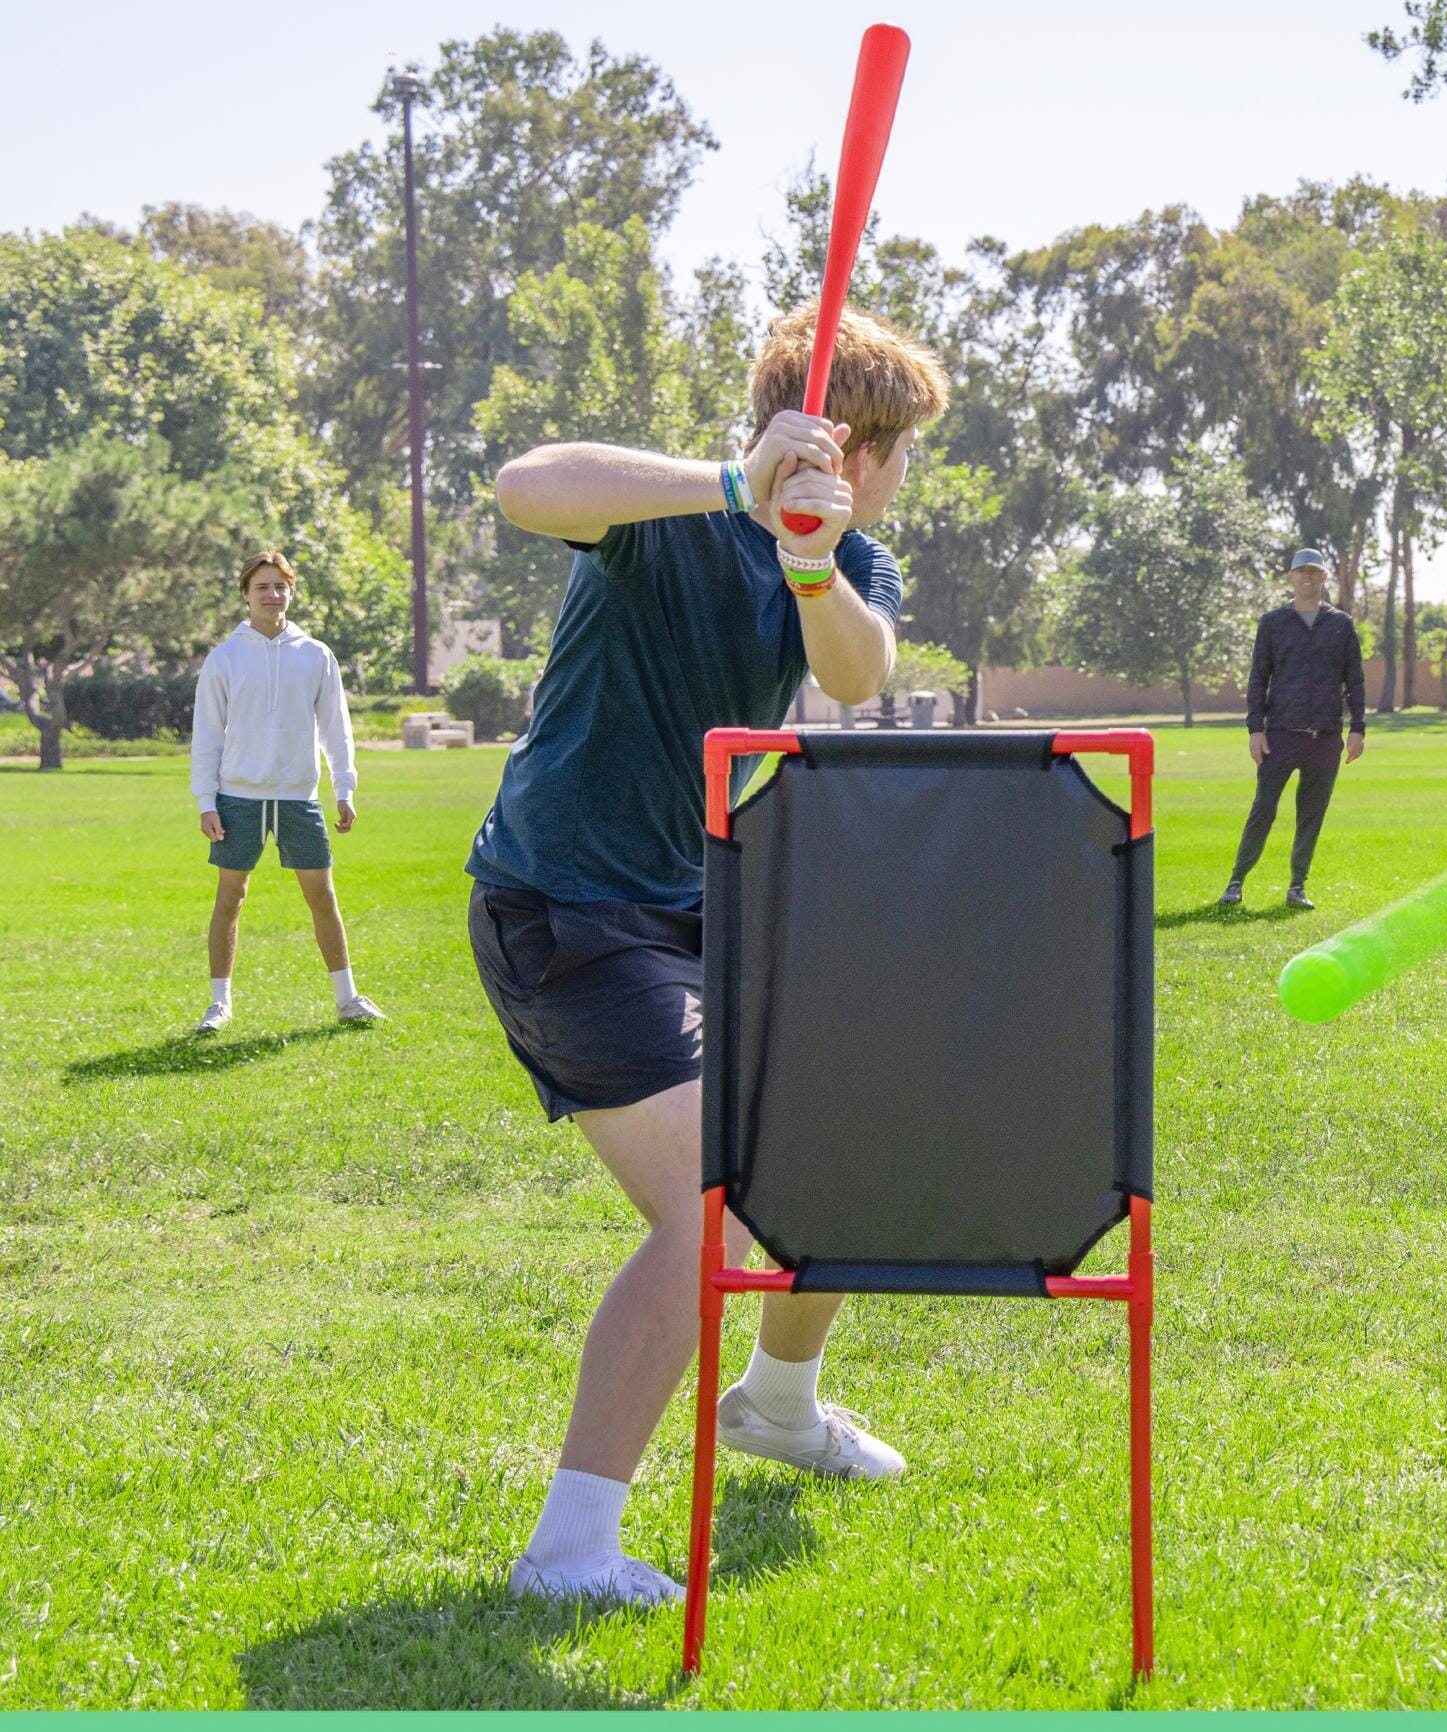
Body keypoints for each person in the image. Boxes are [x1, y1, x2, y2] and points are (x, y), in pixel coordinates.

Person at [469, 305, 950, 1607]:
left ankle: (780, 1405)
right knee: (710, 1212)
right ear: (860, 443)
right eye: (901, 456)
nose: (902, 484)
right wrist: (737, 487)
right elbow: (524, 485)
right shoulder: (661, 517)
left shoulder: (855, 560)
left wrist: (809, 557)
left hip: (690, 909)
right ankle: (569, 1551)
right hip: (561, 906)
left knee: (837, 1138)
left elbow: (855, 674)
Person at [190, 551, 384, 1033]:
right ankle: (220, 1006)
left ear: (290, 592)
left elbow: (336, 728)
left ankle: (347, 999)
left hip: (300, 798)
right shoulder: (225, 658)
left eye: (280, 586)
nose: (272, 594)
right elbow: (207, 734)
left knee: (322, 896)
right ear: (246, 594)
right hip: (238, 797)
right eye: (262, 587)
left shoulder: (315, 655)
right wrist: (206, 801)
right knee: (230, 897)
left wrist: (345, 787)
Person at [1219, 550, 1367, 911]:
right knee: (1263, 808)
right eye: (1301, 571)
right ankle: (1236, 882)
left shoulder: (1341, 625)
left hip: (1326, 737)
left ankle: (1297, 887)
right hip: (1280, 734)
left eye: (1314, 572)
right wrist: (1255, 729)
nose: (1307, 578)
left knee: (1311, 814)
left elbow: (1355, 680)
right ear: (1290, 576)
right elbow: (1258, 678)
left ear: (1323, 578)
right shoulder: (1273, 623)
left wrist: (1358, 729)